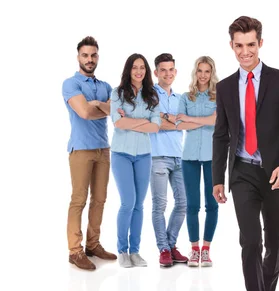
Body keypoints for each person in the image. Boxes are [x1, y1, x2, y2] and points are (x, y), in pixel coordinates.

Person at [212, 16, 279, 291]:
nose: (245, 51)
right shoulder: (224, 87)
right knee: (250, 241)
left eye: (251, 44)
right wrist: (218, 179)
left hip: (276, 172)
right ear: (231, 46)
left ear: (260, 44)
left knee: (276, 241)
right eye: (239, 45)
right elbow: (221, 135)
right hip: (243, 173)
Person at [62, 36, 117, 270]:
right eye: (85, 55)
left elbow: (117, 112)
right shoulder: (70, 84)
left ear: (98, 57)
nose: (90, 59)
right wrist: (97, 107)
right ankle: (75, 251)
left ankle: (93, 245)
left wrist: (100, 105)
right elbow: (84, 112)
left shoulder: (105, 86)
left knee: (100, 199)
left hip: (103, 149)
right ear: (78, 58)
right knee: (79, 199)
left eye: (93, 55)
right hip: (81, 148)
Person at [110, 53, 161, 268]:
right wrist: (143, 121)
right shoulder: (117, 93)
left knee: (139, 204)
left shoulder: (153, 96)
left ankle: (135, 251)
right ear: (128, 70)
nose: (139, 71)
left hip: (143, 155)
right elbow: (117, 123)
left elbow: (156, 126)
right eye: (134, 68)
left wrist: (130, 120)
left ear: (146, 71)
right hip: (121, 153)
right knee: (127, 202)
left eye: (142, 68)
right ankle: (122, 251)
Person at [177, 56, 219, 267]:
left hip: (213, 157)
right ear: (195, 73)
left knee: (211, 204)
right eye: (200, 71)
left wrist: (190, 119)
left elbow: (217, 121)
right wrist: (204, 122)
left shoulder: (219, 96)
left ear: (212, 73)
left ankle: (206, 250)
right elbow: (178, 124)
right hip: (190, 158)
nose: (203, 75)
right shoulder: (186, 97)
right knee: (192, 205)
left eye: (207, 71)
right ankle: (194, 250)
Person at [150, 53, 188, 268]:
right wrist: (172, 120)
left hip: (179, 156)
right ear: (156, 73)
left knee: (183, 203)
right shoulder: (149, 96)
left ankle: (171, 245)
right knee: (160, 205)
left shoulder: (181, 98)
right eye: (163, 70)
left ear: (175, 72)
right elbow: (154, 123)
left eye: (171, 69)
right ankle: (163, 249)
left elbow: (187, 122)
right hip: (157, 156)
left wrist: (167, 117)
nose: (167, 73)